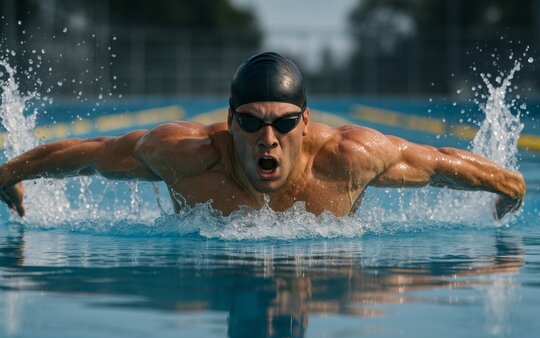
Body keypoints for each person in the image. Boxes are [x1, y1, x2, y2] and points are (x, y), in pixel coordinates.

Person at [0, 52, 526, 219]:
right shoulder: (185, 155)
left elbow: (436, 161)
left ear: (306, 120)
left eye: (283, 122)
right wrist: (9, 175)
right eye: (250, 121)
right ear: (230, 123)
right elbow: (86, 154)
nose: (266, 138)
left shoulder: (347, 158)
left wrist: (508, 186)